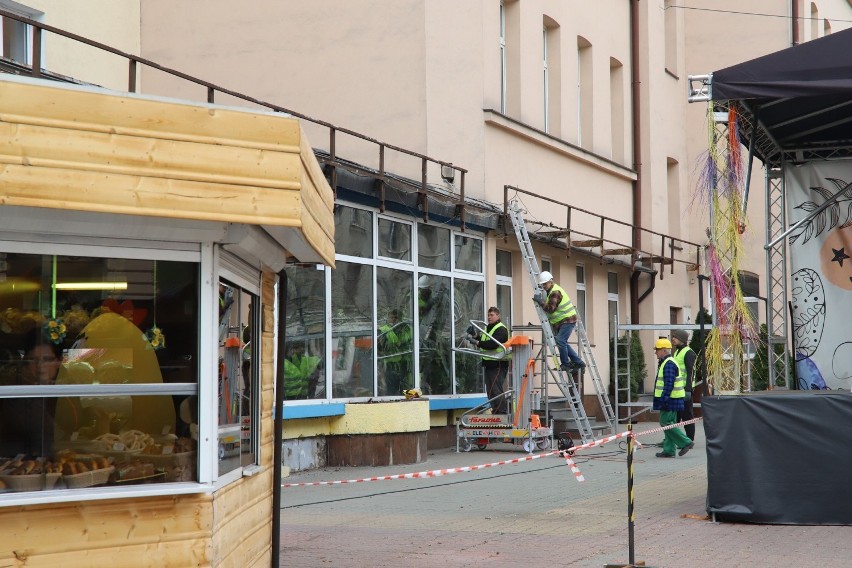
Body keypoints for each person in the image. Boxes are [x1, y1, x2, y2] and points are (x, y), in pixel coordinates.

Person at [533, 271, 584, 372]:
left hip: (567, 319)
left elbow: (551, 309)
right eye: (542, 284)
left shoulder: (555, 292)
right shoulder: (550, 291)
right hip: (561, 321)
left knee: (560, 340)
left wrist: (540, 301)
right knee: (562, 342)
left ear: (551, 281)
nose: (544, 286)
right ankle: (578, 362)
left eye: (545, 284)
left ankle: (565, 364)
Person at [652, 337, 694, 458]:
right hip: (672, 399)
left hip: (670, 399)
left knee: (665, 422)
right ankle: (669, 449)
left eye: (657, 350)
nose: (656, 352)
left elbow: (668, 383)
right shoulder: (668, 362)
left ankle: (686, 442)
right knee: (670, 424)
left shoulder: (669, 363)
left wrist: (664, 399)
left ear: (664, 350)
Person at [468, 307, 510, 415]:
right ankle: (496, 411)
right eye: (488, 315)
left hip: (498, 363)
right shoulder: (489, 328)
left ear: (498, 316)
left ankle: (501, 412)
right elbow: (484, 339)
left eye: (492, 315)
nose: (489, 317)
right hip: (489, 363)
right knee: (490, 390)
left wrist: (477, 343)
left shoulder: (501, 329)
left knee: (496, 389)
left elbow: (492, 344)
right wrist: (475, 336)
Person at [378, 309, 412, 395]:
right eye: (391, 317)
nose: (394, 320)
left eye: (396, 317)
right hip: (390, 363)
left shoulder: (406, 329)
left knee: (407, 388)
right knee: (391, 388)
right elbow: (379, 347)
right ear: (388, 318)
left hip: (404, 363)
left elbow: (405, 342)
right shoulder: (383, 330)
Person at [671, 329, 697, 441]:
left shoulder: (689, 353)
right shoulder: (677, 351)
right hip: (678, 389)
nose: (673, 339)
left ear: (681, 339)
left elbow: (691, 372)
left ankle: (689, 439)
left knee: (687, 415)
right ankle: (672, 438)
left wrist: (688, 389)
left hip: (685, 389)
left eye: (675, 337)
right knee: (675, 415)